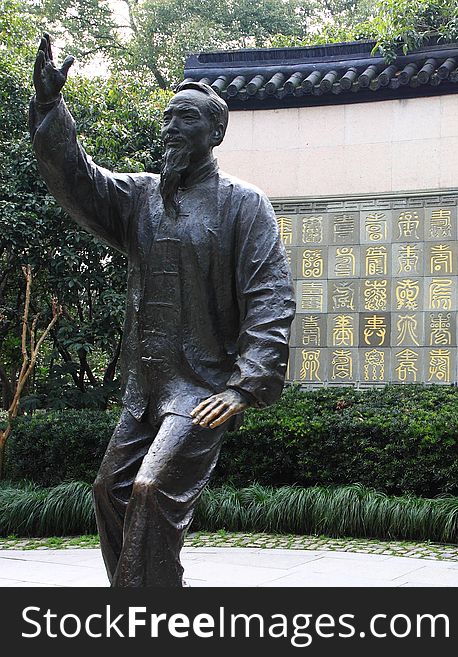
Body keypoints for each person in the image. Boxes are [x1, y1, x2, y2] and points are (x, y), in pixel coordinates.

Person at [29, 33, 296, 587]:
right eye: (168, 117)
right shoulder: (141, 198)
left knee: (152, 491)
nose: (171, 127)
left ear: (215, 132)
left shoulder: (243, 205)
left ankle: (140, 618)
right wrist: (53, 109)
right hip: (145, 386)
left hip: (200, 389)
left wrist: (245, 385)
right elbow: (80, 180)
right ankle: (149, 598)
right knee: (111, 491)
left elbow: (270, 296)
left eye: (186, 118)